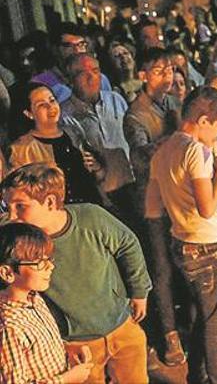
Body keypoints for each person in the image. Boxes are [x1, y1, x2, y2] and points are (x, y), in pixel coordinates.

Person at [1, 163, 152, 384]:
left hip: (121, 325)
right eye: (7, 207)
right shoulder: (14, 239)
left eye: (20, 206)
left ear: (50, 202)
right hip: (75, 343)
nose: (12, 216)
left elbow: (127, 245)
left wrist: (139, 291)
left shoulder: (91, 218)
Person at [145, 86, 217, 384]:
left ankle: (197, 377)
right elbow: (206, 208)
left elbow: (153, 209)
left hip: (182, 243)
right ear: (203, 121)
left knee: (204, 319)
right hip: (208, 245)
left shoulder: (164, 150)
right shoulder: (196, 151)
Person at [122, 47, 186, 367]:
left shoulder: (175, 103)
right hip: (154, 200)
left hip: (180, 195)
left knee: (187, 261)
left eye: (170, 70)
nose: (167, 76)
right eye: (159, 71)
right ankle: (170, 335)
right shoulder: (136, 114)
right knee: (161, 268)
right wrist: (176, 136)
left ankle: (189, 323)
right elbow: (140, 155)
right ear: (143, 76)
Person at [0, 222, 94, 384]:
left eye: (49, 259)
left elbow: (36, 346)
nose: (50, 266)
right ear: (7, 273)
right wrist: (66, 379)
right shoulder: (9, 327)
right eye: (39, 263)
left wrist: (67, 347)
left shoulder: (35, 298)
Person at [60, 54, 135, 219]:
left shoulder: (115, 99)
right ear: (70, 80)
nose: (91, 77)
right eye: (82, 73)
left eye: (95, 71)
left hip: (133, 181)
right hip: (105, 194)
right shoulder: (65, 115)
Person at [9, 83, 104, 205]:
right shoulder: (21, 149)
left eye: (52, 100)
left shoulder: (73, 132)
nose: (51, 107)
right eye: (42, 105)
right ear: (29, 113)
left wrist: (96, 167)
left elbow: (97, 178)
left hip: (92, 205)